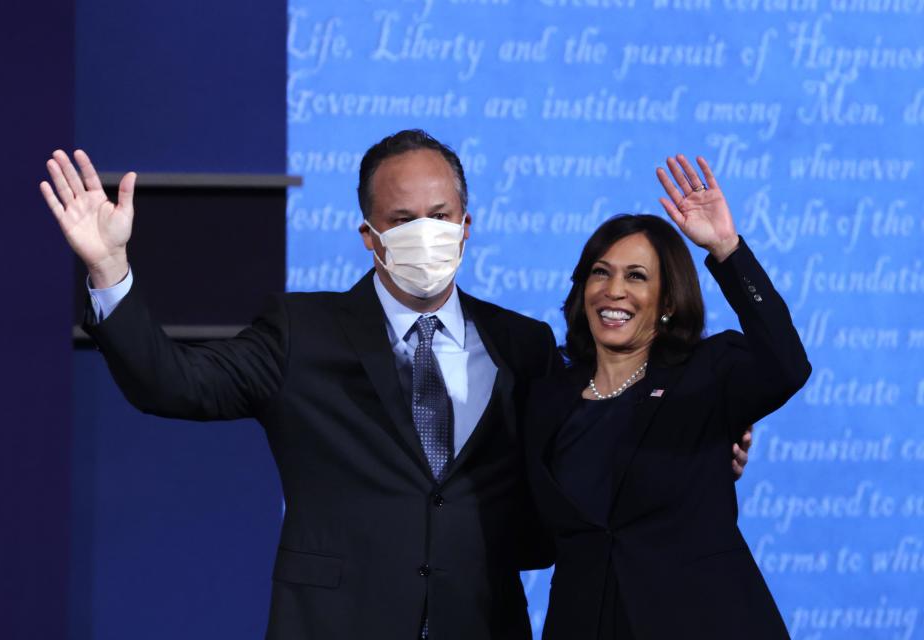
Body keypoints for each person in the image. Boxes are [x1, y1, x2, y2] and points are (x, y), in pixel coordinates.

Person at [40, 131, 750, 639]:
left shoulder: (523, 345)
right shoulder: (301, 331)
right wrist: (110, 271)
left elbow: (583, 461)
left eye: (439, 217)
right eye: (402, 220)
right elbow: (174, 386)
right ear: (368, 236)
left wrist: (688, 454)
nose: (424, 233)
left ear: (467, 227)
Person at [524, 155, 810, 639]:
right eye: (600, 272)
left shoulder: (706, 375)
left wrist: (726, 249)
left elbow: (786, 364)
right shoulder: (547, 397)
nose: (614, 291)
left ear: (669, 301)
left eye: (637, 276)